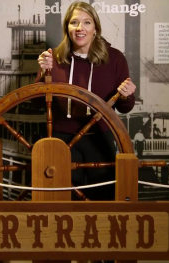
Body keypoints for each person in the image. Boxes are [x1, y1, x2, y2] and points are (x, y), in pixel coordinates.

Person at [36, 2, 136, 202]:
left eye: (86, 22)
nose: (80, 28)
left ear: (95, 28)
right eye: (74, 22)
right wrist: (42, 74)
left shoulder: (115, 58)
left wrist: (127, 95)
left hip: (100, 138)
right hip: (60, 139)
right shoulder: (52, 58)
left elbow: (125, 107)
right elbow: (39, 102)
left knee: (102, 197)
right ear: (67, 28)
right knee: (61, 199)